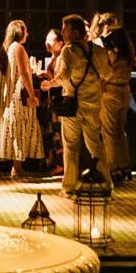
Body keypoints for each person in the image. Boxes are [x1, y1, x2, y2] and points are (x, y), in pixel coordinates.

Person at [47, 14, 108, 187]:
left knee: (71, 147)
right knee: (95, 145)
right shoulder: (97, 50)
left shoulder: (69, 50)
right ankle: (106, 183)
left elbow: (63, 77)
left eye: (65, 29)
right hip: (94, 103)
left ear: (74, 31)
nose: (63, 32)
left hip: (73, 104)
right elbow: (107, 73)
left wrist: (49, 84)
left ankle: (69, 187)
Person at [0, 20, 44, 179]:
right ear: (20, 32)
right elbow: (22, 73)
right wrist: (32, 94)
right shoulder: (19, 48)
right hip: (18, 95)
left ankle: (17, 165)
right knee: (20, 127)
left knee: (15, 128)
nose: (28, 33)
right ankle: (17, 167)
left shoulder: (8, 47)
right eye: (26, 30)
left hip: (10, 94)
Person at [93, 13, 135, 182]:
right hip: (125, 90)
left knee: (109, 131)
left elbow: (104, 70)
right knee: (120, 130)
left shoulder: (111, 51)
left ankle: (113, 168)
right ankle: (125, 165)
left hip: (109, 91)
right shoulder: (128, 50)